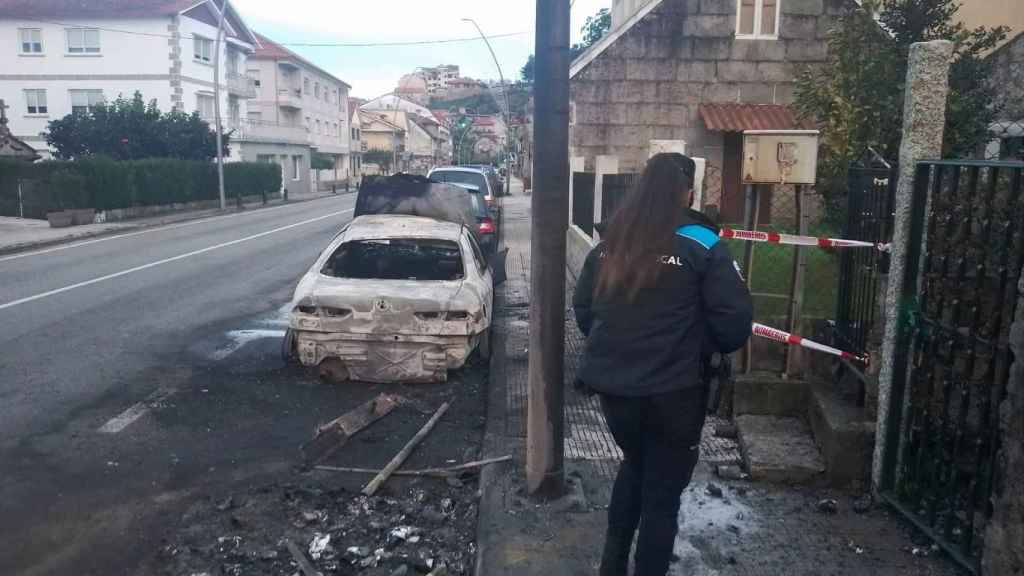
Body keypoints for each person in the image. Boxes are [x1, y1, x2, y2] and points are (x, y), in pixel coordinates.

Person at [573, 153, 753, 576]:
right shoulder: (703, 244)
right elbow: (733, 325)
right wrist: (692, 347)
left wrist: (620, 346)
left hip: (616, 393)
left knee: (635, 464)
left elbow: (584, 310)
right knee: (663, 492)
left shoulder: (609, 244)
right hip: (676, 395)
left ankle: (611, 566)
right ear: (688, 191)